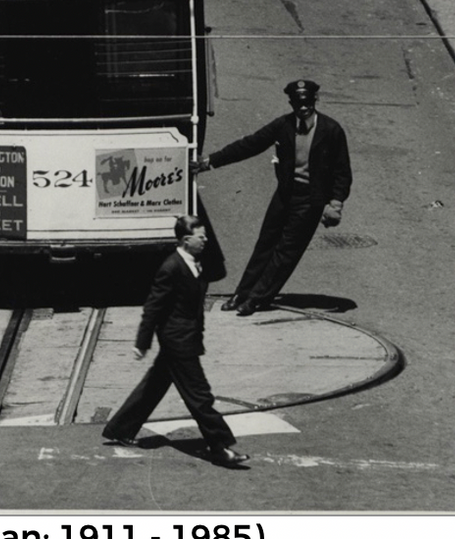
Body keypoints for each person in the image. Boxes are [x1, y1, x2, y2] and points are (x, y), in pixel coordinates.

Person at [195, 80, 352, 317]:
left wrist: (336, 204)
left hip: (311, 199)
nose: (304, 108)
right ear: (291, 103)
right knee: (265, 244)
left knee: (285, 251)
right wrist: (209, 162)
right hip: (286, 194)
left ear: (315, 102)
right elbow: (250, 144)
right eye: (299, 104)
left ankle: (257, 299)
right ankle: (242, 293)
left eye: (308, 103)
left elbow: (342, 172)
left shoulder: (331, 130)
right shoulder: (284, 125)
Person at [102, 215, 249, 467]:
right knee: (200, 396)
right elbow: (153, 307)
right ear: (185, 240)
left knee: (155, 385)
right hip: (177, 341)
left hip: (186, 337)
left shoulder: (195, 262)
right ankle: (219, 446)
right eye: (200, 236)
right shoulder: (171, 267)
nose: (205, 240)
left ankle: (120, 428)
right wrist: (142, 342)